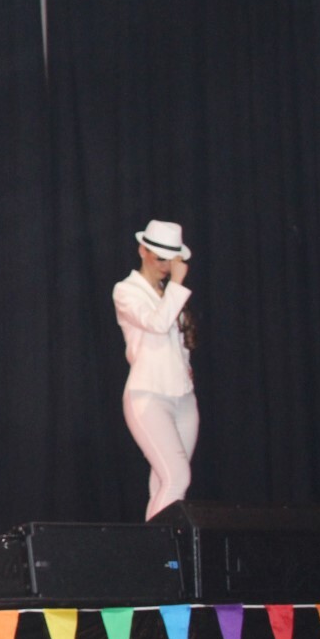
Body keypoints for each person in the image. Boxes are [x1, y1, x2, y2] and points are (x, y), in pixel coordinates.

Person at [114, 220, 197, 521]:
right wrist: (177, 284)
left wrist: (185, 367)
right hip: (147, 395)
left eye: (170, 260)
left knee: (165, 484)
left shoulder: (167, 292)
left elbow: (178, 341)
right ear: (142, 251)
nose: (165, 266)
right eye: (160, 258)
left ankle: (162, 547)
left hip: (183, 397)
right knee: (177, 477)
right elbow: (157, 324)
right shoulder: (126, 290)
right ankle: (155, 549)